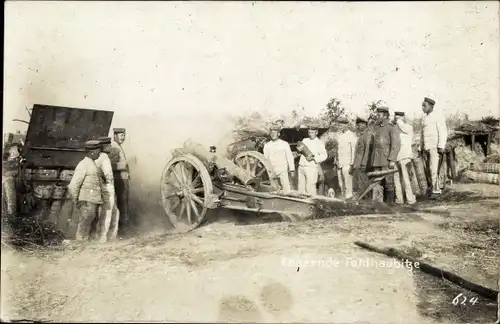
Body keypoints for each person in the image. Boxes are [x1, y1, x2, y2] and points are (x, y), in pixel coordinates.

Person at [67, 140, 104, 241]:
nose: (99, 153)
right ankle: (80, 246)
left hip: (94, 200)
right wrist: (76, 200)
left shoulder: (92, 164)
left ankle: (86, 247)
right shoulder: (83, 164)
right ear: (92, 152)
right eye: (98, 151)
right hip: (87, 201)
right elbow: (73, 185)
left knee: (90, 225)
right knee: (84, 225)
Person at [370, 107, 401, 204]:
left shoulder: (391, 127)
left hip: (386, 159)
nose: (377, 117)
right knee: (376, 182)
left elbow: (396, 145)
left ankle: (390, 204)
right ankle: (378, 204)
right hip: (376, 160)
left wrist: (392, 159)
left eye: (379, 115)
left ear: (385, 115)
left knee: (388, 182)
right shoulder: (377, 127)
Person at [419, 97, 448, 196]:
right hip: (426, 147)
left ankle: (436, 190)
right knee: (428, 169)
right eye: (422, 105)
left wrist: (441, 146)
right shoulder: (423, 118)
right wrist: (420, 147)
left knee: (434, 169)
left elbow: (442, 132)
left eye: (424, 105)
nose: (423, 107)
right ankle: (431, 188)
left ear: (431, 106)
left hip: (434, 147)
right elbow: (422, 134)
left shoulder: (438, 116)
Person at [94, 136, 120, 242]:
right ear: (105, 146)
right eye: (109, 145)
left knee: (112, 212)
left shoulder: (97, 157)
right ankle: (103, 238)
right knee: (108, 212)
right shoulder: (104, 157)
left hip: (101, 187)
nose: (110, 146)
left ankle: (108, 236)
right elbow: (108, 175)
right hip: (107, 188)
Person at [109, 128, 130, 235]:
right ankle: (122, 230)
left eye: (124, 135)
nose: (123, 137)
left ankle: (122, 229)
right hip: (119, 180)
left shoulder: (118, 146)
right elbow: (110, 166)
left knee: (123, 204)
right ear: (115, 135)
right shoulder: (114, 147)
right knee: (123, 205)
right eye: (121, 135)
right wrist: (125, 164)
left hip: (123, 179)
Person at [263, 125, 295, 193]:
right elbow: (265, 159)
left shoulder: (284, 144)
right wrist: (268, 171)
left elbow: (290, 157)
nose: (273, 134)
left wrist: (292, 169)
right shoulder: (267, 145)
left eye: (275, 133)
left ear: (278, 134)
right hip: (272, 170)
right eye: (272, 133)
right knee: (273, 190)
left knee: (286, 189)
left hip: (282, 170)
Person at [393, 111, 417, 205]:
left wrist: (398, 121)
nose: (397, 120)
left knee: (407, 179)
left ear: (403, 118)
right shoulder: (395, 129)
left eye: (399, 118)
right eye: (396, 118)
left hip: (405, 157)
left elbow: (402, 127)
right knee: (397, 180)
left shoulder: (408, 127)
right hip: (396, 157)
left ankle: (410, 200)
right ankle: (399, 200)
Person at [297, 123, 328, 195]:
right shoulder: (305, 140)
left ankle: (312, 204)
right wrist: (298, 150)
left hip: (311, 167)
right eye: (309, 132)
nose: (310, 134)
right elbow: (300, 151)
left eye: (312, 132)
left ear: (316, 132)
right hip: (301, 165)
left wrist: (314, 158)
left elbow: (324, 155)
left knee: (310, 187)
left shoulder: (319, 143)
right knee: (301, 188)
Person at [335, 117, 357, 199]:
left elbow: (354, 150)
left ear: (346, 125)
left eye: (342, 124)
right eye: (339, 124)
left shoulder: (351, 135)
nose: (340, 126)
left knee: (348, 186)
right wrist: (336, 161)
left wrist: (352, 164)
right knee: (341, 185)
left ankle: (349, 202)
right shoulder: (340, 136)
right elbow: (338, 150)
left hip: (347, 164)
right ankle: (343, 202)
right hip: (339, 164)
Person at [352, 115, 372, 199]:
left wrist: (364, 164)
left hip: (362, 165)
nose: (359, 127)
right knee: (358, 185)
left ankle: (367, 203)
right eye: (358, 125)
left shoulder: (367, 135)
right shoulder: (361, 135)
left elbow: (367, 150)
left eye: (360, 125)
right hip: (358, 164)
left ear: (365, 124)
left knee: (364, 185)